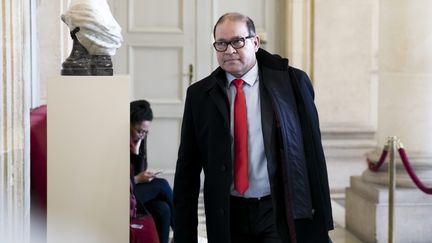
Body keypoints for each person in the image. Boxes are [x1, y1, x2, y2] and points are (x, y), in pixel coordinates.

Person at [173, 12, 333, 243]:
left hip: (277, 209)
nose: (229, 50)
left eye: (238, 41)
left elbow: (313, 154)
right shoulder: (200, 95)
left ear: (255, 42)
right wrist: (183, 235)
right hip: (228, 214)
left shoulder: (291, 83)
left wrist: (321, 222)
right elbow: (187, 169)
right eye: (221, 43)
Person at [130, 100, 173, 243]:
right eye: (139, 130)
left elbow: (140, 169)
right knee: (162, 185)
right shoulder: (119, 141)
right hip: (123, 194)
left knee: (163, 208)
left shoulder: (139, 139)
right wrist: (137, 179)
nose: (142, 135)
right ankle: (184, 233)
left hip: (134, 189)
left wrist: (138, 151)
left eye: (146, 132)